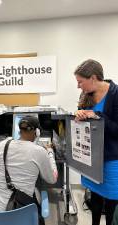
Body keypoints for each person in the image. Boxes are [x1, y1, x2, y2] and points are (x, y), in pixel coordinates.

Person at [0, 115, 58, 223]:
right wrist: (50, 153)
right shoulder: (39, 151)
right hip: (15, 215)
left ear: (19, 130)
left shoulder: (3, 144)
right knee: (37, 194)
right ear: (37, 132)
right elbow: (52, 179)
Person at [74, 59, 118, 225]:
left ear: (93, 78)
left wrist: (97, 116)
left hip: (112, 159)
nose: (79, 86)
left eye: (80, 82)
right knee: (95, 197)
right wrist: (80, 115)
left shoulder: (115, 94)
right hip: (91, 157)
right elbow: (83, 115)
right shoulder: (86, 94)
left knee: (112, 201)